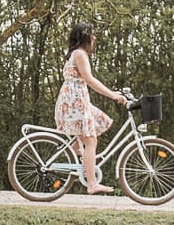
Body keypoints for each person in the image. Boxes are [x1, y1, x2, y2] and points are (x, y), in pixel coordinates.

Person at [54, 22, 127, 195]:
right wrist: (113, 95)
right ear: (85, 37)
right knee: (91, 140)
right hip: (75, 101)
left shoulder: (76, 54)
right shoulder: (79, 54)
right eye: (92, 35)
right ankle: (92, 183)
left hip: (76, 100)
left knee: (98, 124)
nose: (94, 38)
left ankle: (75, 156)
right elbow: (90, 80)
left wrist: (113, 92)